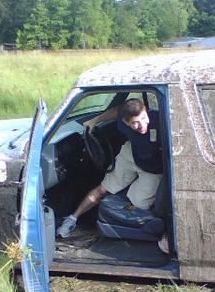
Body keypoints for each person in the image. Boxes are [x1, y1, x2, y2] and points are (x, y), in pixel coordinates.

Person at [57, 98, 164, 246]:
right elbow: (116, 111)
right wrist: (94, 121)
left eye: (144, 118)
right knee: (102, 189)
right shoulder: (122, 121)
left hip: (153, 168)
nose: (142, 125)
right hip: (132, 153)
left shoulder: (160, 120)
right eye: (135, 123)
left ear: (146, 111)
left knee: (139, 205)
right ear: (126, 122)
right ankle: (72, 219)